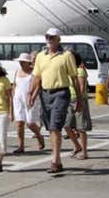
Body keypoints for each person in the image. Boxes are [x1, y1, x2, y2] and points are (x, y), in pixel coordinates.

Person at [28, 28, 84, 174]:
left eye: (52, 37)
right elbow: (36, 77)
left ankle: (55, 160)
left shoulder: (67, 56)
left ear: (58, 39)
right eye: (47, 37)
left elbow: (74, 78)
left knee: (55, 127)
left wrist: (79, 99)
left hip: (61, 93)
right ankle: (56, 160)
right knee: (50, 127)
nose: (49, 39)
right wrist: (31, 94)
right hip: (45, 94)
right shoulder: (40, 56)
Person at [11, 52, 44, 155]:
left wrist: (33, 98)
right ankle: (21, 146)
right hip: (18, 99)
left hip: (30, 99)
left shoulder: (34, 72)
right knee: (20, 123)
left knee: (30, 123)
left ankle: (39, 135)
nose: (21, 63)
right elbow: (14, 85)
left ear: (28, 62)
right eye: (20, 61)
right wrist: (13, 98)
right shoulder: (17, 71)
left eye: (23, 62)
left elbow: (38, 86)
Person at [65, 52, 92, 160]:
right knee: (66, 125)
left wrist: (80, 101)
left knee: (81, 127)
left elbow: (81, 87)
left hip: (79, 99)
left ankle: (84, 152)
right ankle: (77, 145)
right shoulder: (70, 71)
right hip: (69, 99)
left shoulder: (80, 71)